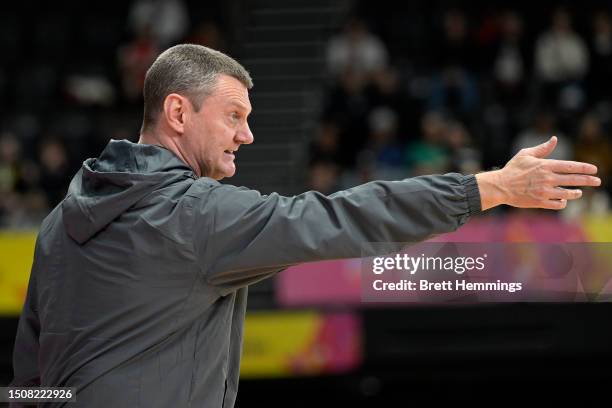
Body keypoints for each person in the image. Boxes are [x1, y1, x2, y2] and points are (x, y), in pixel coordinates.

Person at [10, 44, 601, 408]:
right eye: (235, 116)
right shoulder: (193, 218)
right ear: (178, 112)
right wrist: (490, 187)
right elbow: (340, 217)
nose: (247, 135)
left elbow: (30, 378)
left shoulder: (61, 220)